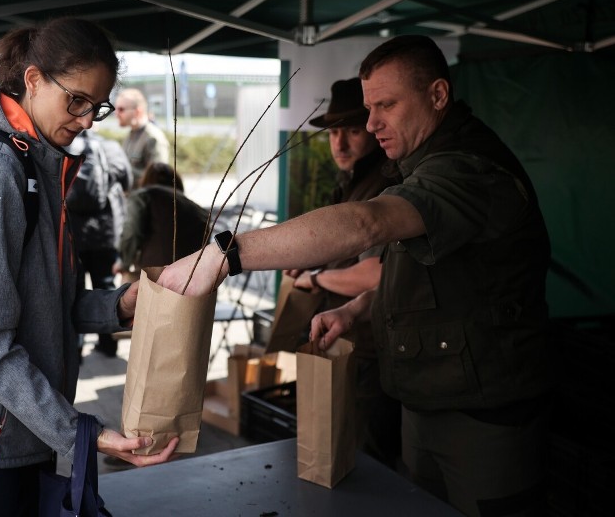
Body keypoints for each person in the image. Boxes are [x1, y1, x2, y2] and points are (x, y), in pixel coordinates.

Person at [159, 35, 552, 517]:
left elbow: (368, 223)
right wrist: (359, 307)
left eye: (386, 105)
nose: (371, 124)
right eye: (369, 108)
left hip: (483, 414)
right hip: (426, 397)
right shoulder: (417, 164)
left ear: (438, 95)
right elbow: (427, 277)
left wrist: (227, 254)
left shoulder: (469, 169)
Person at [0, 18, 178, 514]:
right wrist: (78, 433)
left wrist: (120, 304)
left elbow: (44, 302)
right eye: (76, 100)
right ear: (32, 80)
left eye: (96, 107)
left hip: (18, 424)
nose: (86, 121)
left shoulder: (32, 159)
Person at [284, 77, 401, 469]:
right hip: (347, 340)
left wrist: (315, 279)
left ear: (372, 127)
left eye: (352, 130)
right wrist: (315, 262)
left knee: (368, 463)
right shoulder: (352, 182)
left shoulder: (384, 185)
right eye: (334, 132)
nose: (340, 143)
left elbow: (373, 275)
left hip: (372, 351)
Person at [66, 128, 132, 358]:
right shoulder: (110, 147)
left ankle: (75, 347)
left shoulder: (65, 146)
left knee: (74, 290)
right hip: (105, 231)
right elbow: (127, 180)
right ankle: (108, 344)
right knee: (105, 285)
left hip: (72, 231)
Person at [114, 162, 209, 279]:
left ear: (146, 180)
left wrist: (124, 262)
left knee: (125, 292)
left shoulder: (143, 197)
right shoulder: (196, 208)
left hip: (157, 280)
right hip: (195, 279)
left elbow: (132, 232)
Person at [114, 88, 170, 188]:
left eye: (121, 109)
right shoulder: (131, 134)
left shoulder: (153, 138)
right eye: (116, 109)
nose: (116, 113)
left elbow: (157, 181)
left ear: (137, 112)